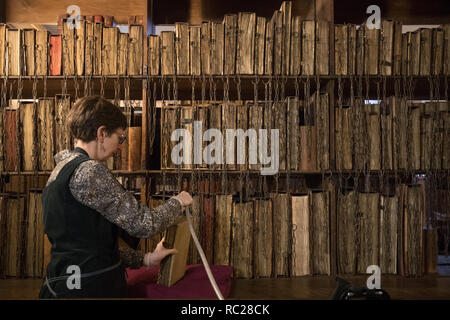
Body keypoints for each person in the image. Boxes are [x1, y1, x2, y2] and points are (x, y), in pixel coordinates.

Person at [38, 96, 193, 298]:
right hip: (89, 289)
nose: (120, 147)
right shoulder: (90, 172)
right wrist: (178, 202)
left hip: (63, 284)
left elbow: (88, 241)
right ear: (102, 133)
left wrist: (145, 259)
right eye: (120, 138)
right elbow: (144, 224)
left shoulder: (61, 168)